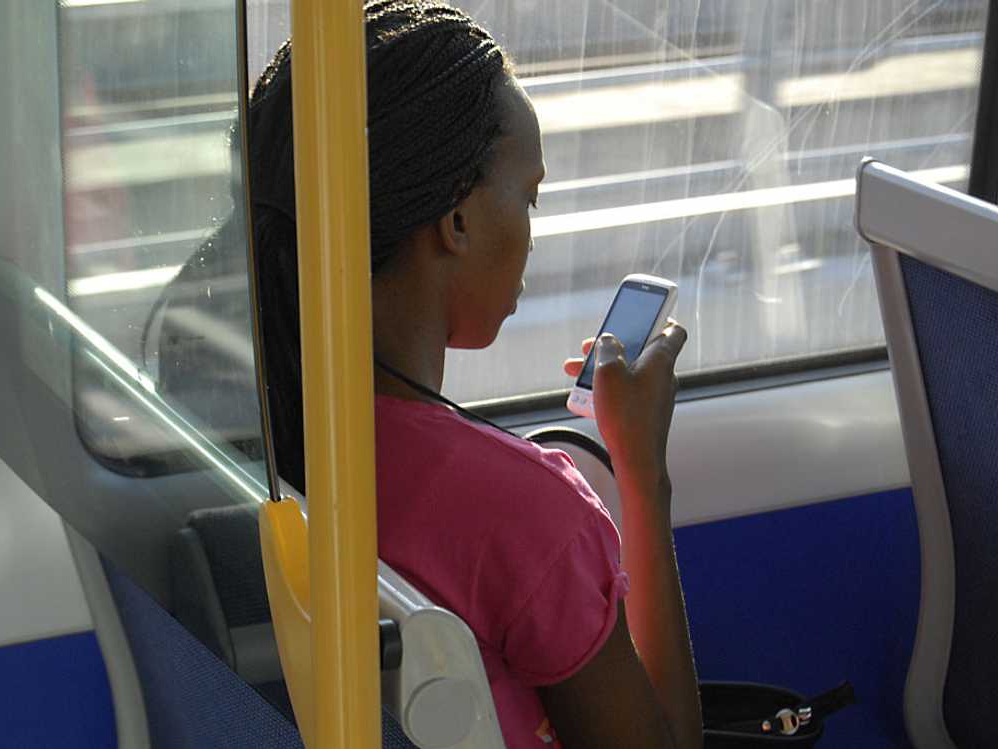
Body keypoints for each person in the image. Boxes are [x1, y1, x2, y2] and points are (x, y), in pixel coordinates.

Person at [155, 2, 702, 746]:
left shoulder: (245, 437)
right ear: (457, 220)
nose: (533, 233)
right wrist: (642, 471)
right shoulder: (527, 514)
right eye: (528, 195)